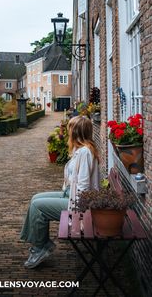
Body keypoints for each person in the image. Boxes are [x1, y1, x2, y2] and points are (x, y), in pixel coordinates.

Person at [20, 115, 100, 269]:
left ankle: (40, 248)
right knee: (35, 198)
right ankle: (40, 244)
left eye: (70, 129)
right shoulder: (81, 149)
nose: (67, 132)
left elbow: (83, 186)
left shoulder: (85, 152)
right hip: (70, 194)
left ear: (76, 132)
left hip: (78, 203)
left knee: (38, 206)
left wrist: (76, 214)